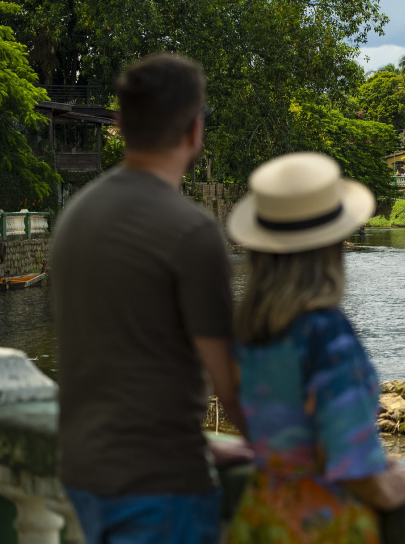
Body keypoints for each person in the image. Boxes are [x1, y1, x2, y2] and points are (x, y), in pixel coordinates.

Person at [51, 53, 249, 543]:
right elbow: (229, 382)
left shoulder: (77, 215)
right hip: (159, 485)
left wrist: (200, 443)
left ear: (118, 125)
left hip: (83, 470)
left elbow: (114, 360)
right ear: (194, 131)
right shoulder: (191, 231)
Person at [225, 153, 405, 543]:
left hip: (261, 513)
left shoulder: (249, 328)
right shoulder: (325, 333)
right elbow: (350, 460)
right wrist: (393, 487)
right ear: (331, 246)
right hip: (321, 524)